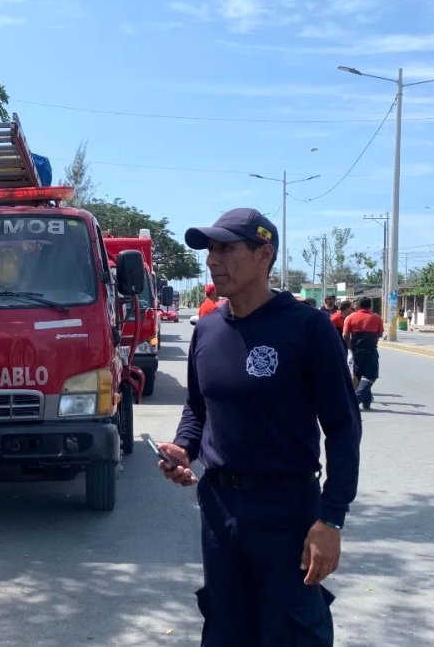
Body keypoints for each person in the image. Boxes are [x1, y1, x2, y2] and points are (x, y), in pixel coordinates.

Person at [157, 207, 362, 646]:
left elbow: (343, 428)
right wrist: (183, 448)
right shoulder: (208, 330)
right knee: (226, 628)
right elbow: (198, 407)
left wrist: (332, 519)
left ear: (263, 254)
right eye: (211, 250)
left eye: (226, 248)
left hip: (287, 510)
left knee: (290, 631)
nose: (213, 260)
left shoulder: (307, 328)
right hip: (219, 507)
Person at [344, 297, 384, 411]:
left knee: (360, 376)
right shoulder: (376, 318)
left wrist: (350, 346)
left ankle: (367, 403)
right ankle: (353, 402)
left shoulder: (350, 317)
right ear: (369, 306)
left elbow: (345, 335)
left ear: (358, 306)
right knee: (370, 376)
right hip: (370, 352)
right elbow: (380, 334)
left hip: (355, 352)